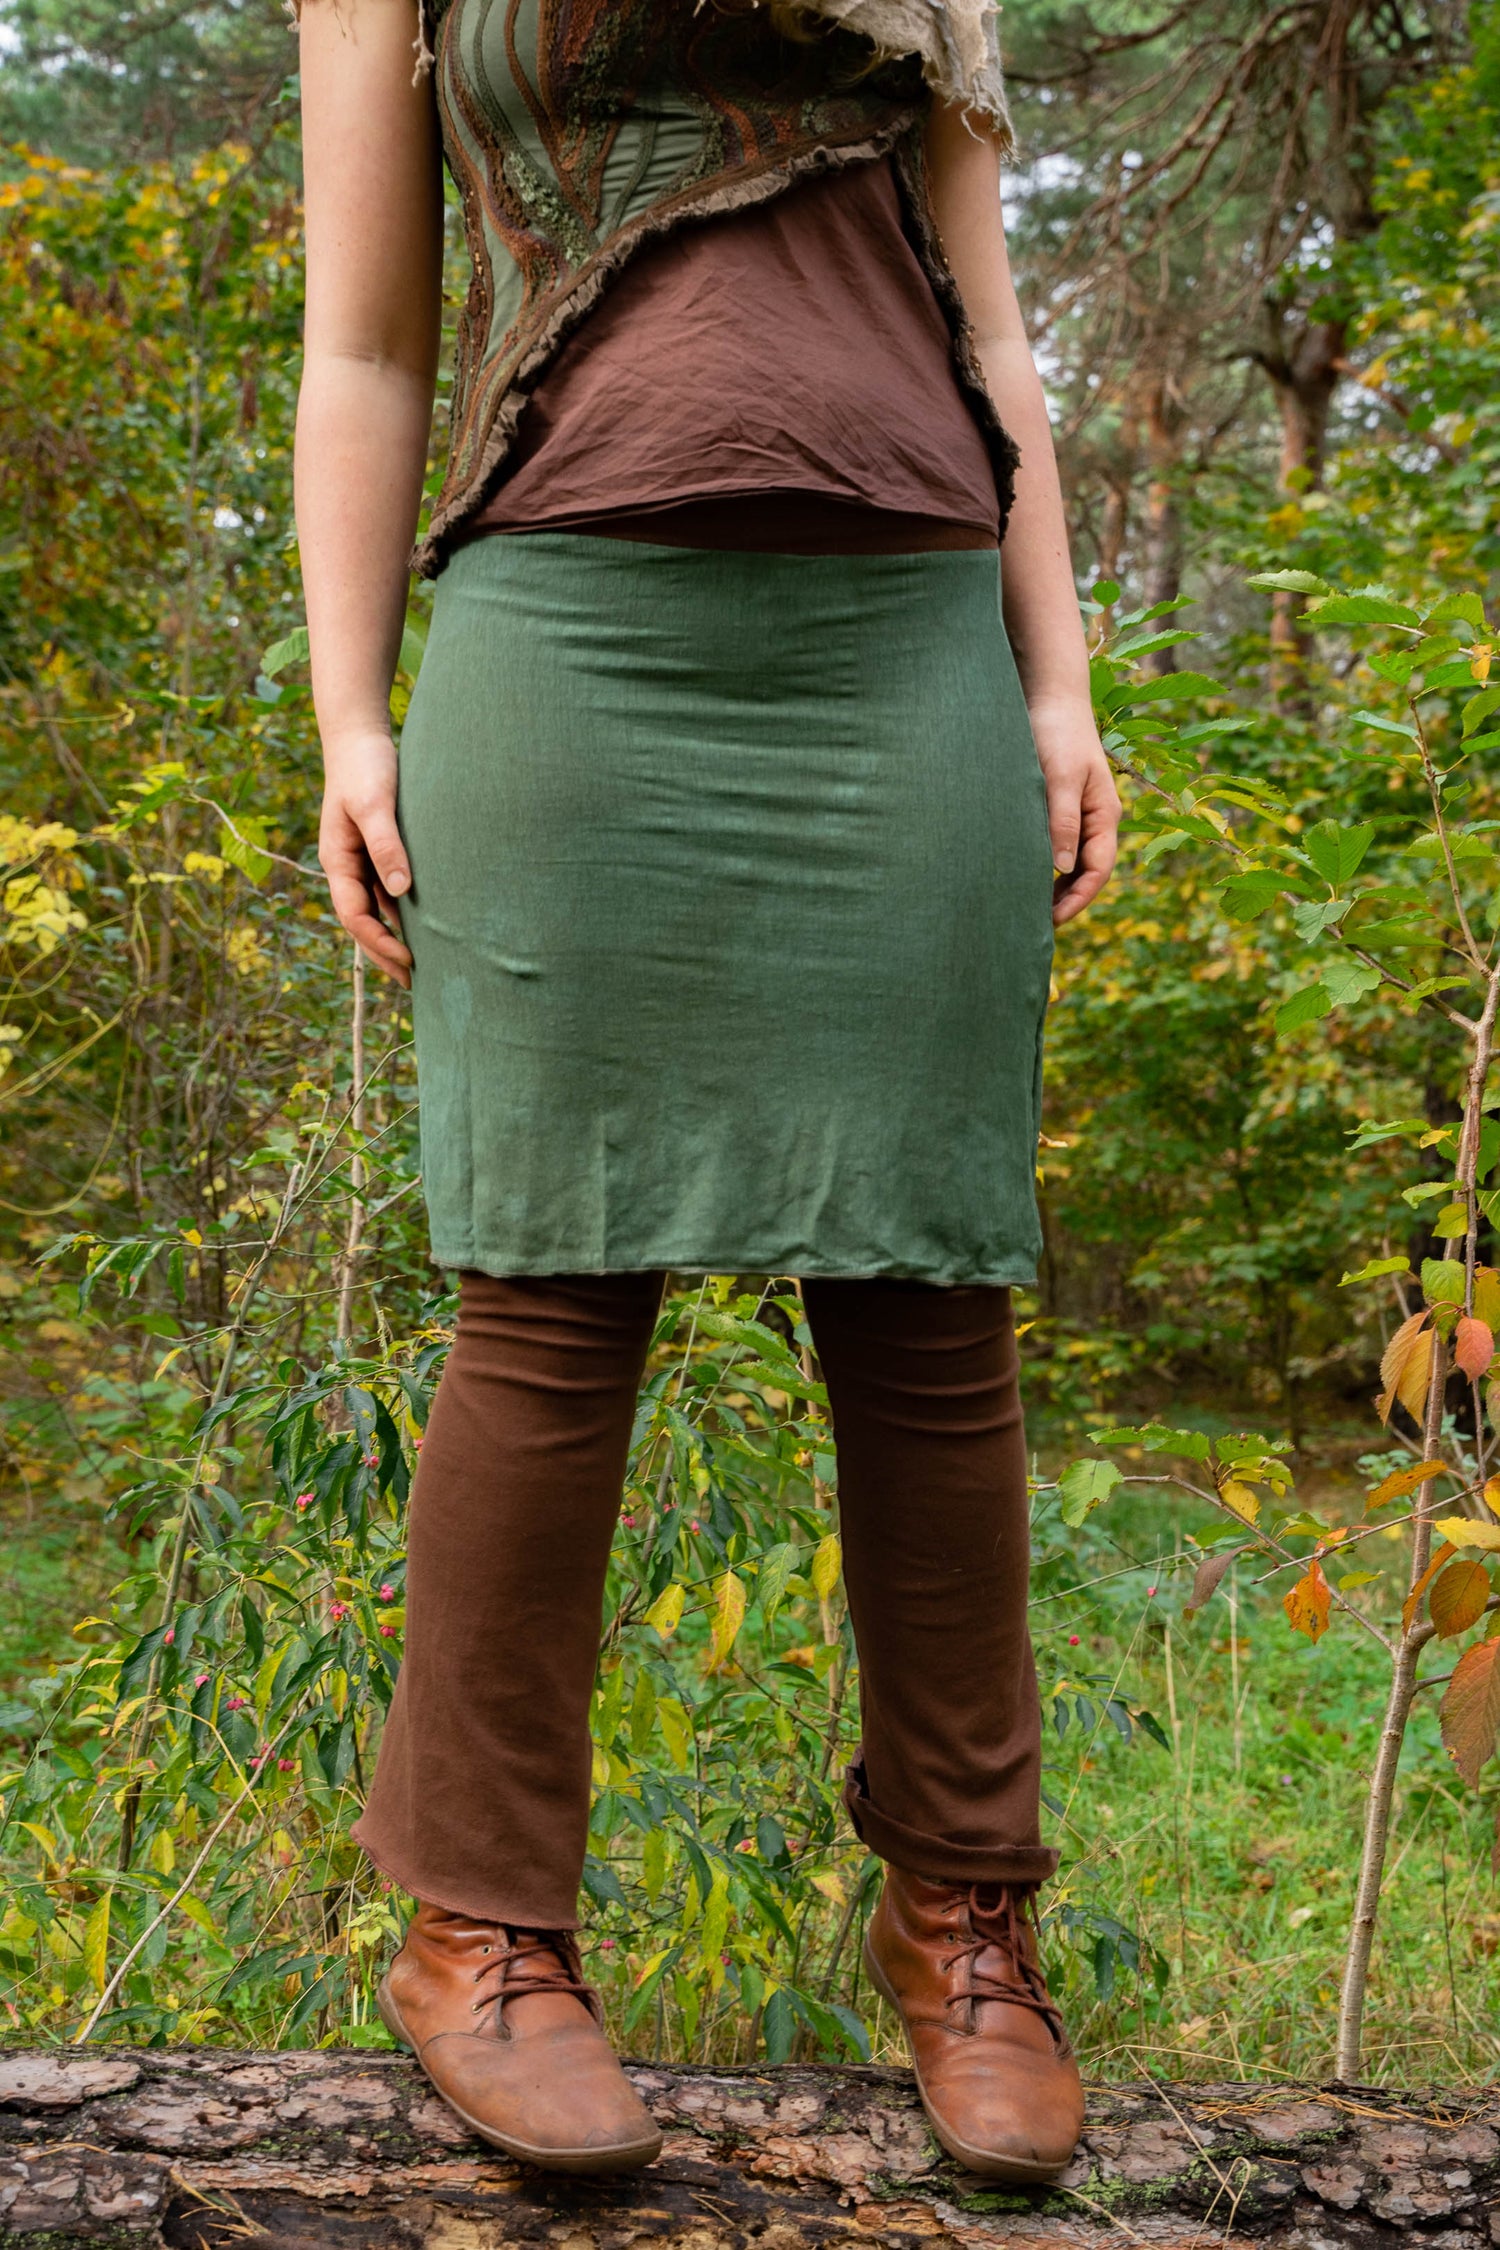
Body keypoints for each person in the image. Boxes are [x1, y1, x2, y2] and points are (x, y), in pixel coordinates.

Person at [294, 0, 1119, 2185]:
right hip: (567, 619)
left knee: (931, 1293)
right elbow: (366, 343)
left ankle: (964, 1917)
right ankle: (479, 1929)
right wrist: (352, 720)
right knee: (549, 1286)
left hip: (911, 631)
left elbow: (987, 318)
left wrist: (1057, 680)